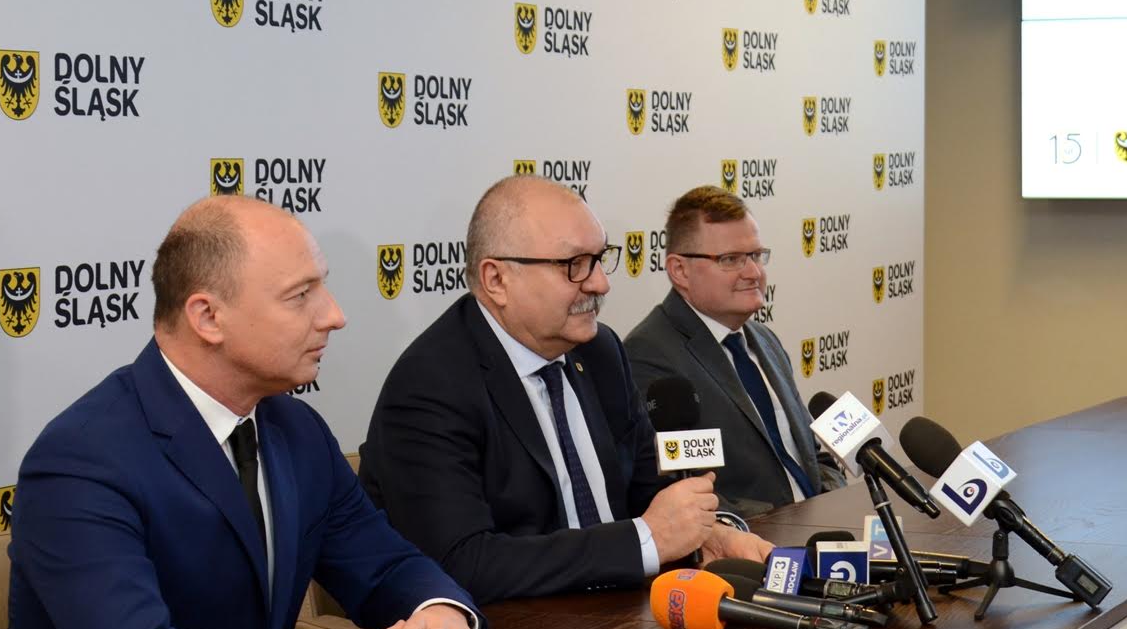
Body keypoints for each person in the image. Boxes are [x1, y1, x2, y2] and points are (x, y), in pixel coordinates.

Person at [0, 197, 497, 629]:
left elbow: (385, 565)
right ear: (208, 318)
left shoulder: (296, 430)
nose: (334, 315)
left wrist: (439, 613)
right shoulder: (82, 459)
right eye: (300, 296)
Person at [361, 175, 772, 603]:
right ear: (496, 279)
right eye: (574, 264)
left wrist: (709, 533)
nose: (600, 283)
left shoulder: (600, 351)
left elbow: (649, 492)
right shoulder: (431, 384)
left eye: (600, 259)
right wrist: (642, 542)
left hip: (623, 613)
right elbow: (462, 562)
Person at [625, 186, 842, 517]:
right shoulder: (648, 355)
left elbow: (813, 454)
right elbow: (677, 488)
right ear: (679, 270)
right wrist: (778, 526)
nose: (753, 272)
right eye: (731, 260)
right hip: (749, 540)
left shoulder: (764, 339)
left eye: (756, 255)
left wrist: (833, 506)